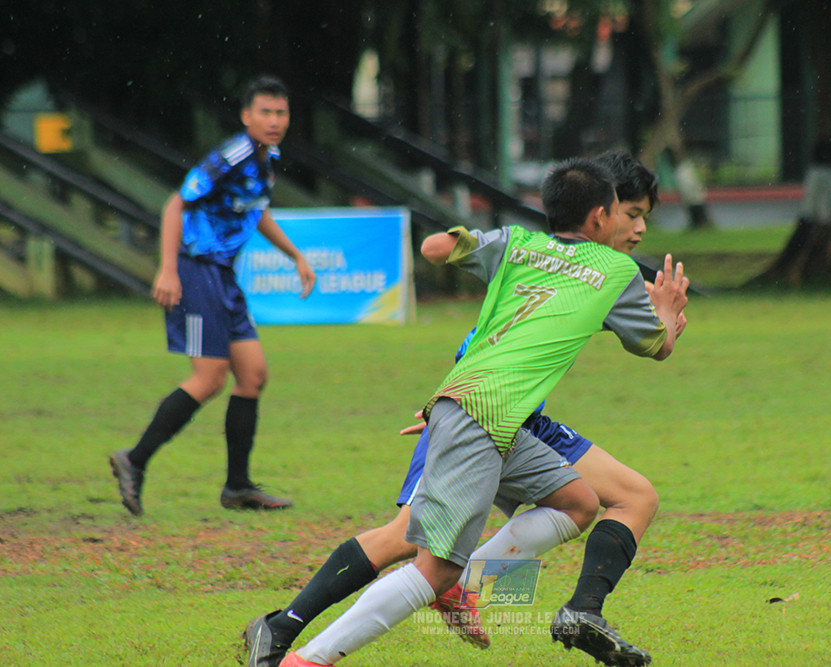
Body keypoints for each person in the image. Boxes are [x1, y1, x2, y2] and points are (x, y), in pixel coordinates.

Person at [244, 151, 674, 667]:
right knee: (423, 559)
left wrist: (466, 241)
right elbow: (656, 345)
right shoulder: (614, 269)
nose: (639, 227)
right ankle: (303, 657)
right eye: (630, 213)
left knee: (580, 503)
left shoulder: (519, 243)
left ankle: (484, 589)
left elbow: (433, 247)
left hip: (489, 412)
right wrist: (668, 312)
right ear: (601, 216)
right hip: (480, 414)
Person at [109, 75, 316, 516]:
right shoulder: (232, 155)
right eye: (265, 112)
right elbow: (175, 203)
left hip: (222, 275)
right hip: (195, 269)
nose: (274, 120)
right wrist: (167, 269)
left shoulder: (265, 159)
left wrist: (295, 255)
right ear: (246, 116)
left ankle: (237, 487)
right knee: (210, 376)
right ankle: (134, 459)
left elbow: (254, 213)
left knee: (253, 375)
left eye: (281, 113)